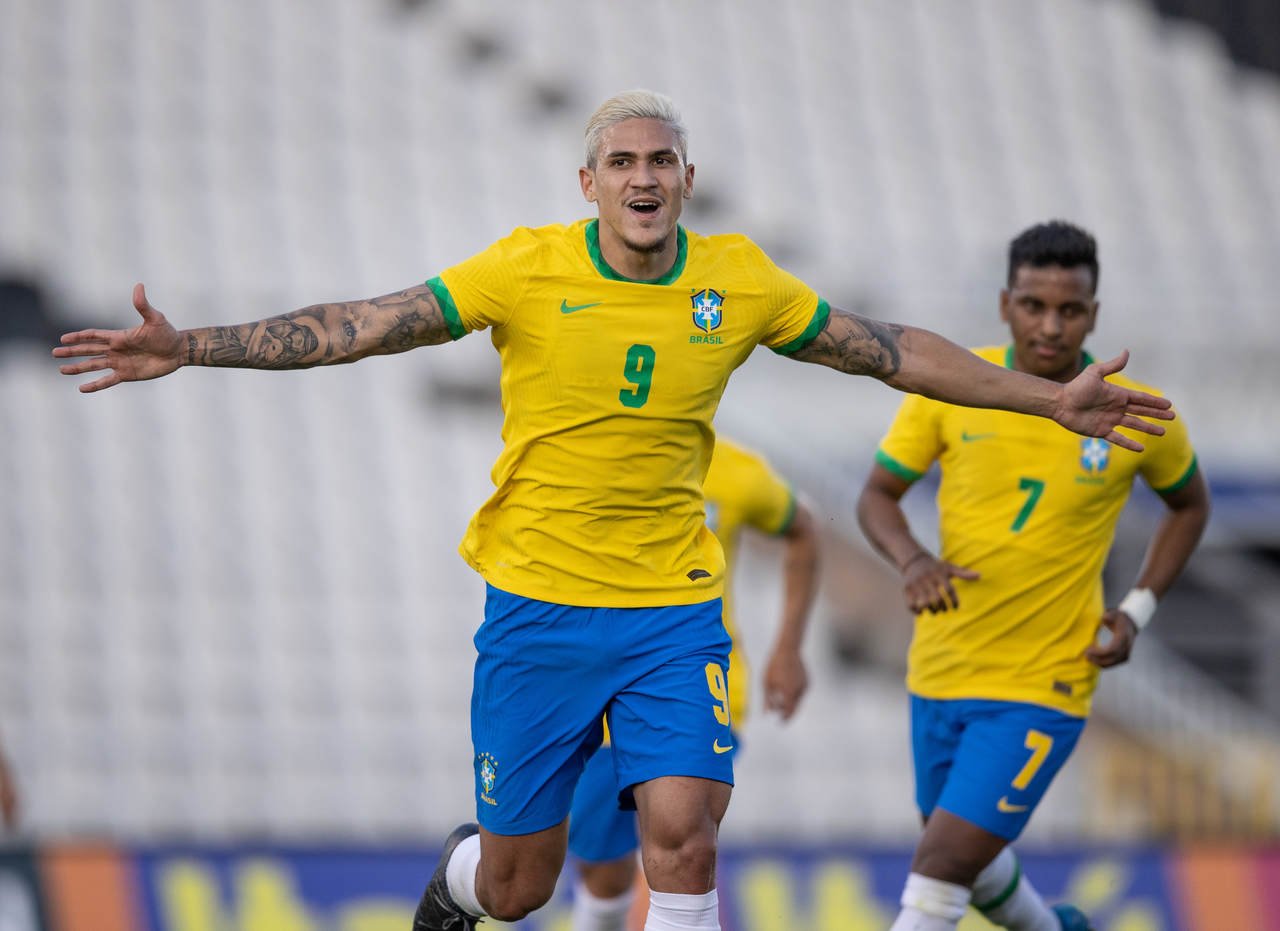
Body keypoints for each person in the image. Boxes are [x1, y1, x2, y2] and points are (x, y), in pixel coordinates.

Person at [53, 92, 1175, 931]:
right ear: (585, 183)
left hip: (669, 613)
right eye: (618, 161)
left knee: (682, 837)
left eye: (660, 160)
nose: (641, 177)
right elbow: (361, 323)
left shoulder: (737, 280)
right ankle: (459, 882)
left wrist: (1047, 399)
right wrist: (190, 345)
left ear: (687, 177)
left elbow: (890, 352)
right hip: (537, 610)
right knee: (516, 883)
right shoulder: (523, 270)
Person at [855, 220, 1210, 931]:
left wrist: (1136, 608)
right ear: (1004, 304)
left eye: (1070, 309)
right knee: (967, 859)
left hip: (1045, 680)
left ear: (1095, 314)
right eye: (1033, 305)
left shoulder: (1134, 412)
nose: (1050, 325)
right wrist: (914, 558)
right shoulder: (953, 387)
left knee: (942, 864)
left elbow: (1190, 507)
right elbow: (875, 497)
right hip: (942, 668)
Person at [567, 436, 820, 931]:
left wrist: (789, 647)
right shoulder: (596, 448)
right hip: (599, 693)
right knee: (603, 871)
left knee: (681, 850)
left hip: (699, 686)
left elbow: (804, 530)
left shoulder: (737, 470)